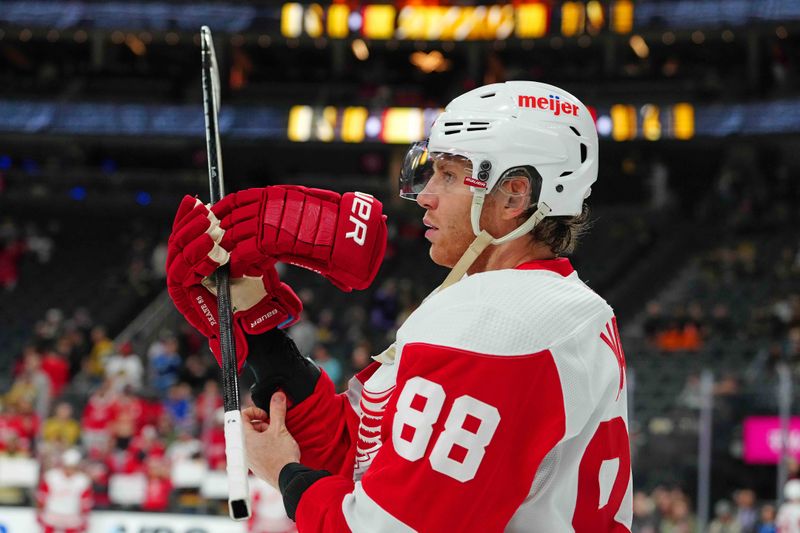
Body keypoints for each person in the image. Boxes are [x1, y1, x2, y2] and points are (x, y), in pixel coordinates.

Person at [167, 81, 631, 531]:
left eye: (449, 175)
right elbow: (359, 452)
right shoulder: (545, 307)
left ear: (514, 195)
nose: (425, 196)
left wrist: (285, 477)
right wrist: (255, 326)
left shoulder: (496, 326)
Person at [36, 448, 93, 533]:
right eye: (67, 467)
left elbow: (86, 501)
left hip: (72, 514)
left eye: (72, 468)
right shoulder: (51, 476)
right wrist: (40, 511)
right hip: (52, 512)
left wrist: (84, 517)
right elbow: (42, 496)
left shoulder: (82, 480)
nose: (69, 470)